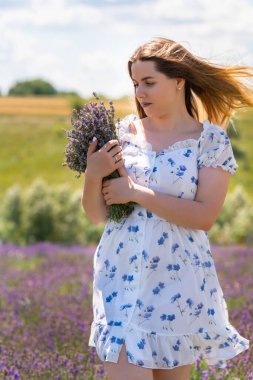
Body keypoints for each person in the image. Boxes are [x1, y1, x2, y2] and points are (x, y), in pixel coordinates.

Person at [82, 37, 253, 380]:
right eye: (135, 83)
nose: (140, 92)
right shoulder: (123, 134)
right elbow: (98, 215)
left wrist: (137, 193)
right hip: (123, 279)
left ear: (178, 81)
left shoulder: (210, 141)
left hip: (178, 287)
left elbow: (204, 217)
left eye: (149, 82)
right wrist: (93, 173)